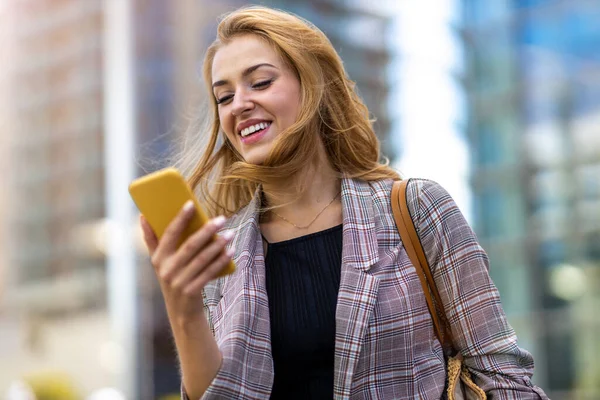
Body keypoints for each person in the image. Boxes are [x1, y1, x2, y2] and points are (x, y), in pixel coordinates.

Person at [139, 6, 549, 400]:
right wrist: (184, 311)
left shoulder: (419, 209)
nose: (240, 104)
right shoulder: (221, 252)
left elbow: (504, 377)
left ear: (314, 86)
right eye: (223, 97)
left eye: (260, 83)